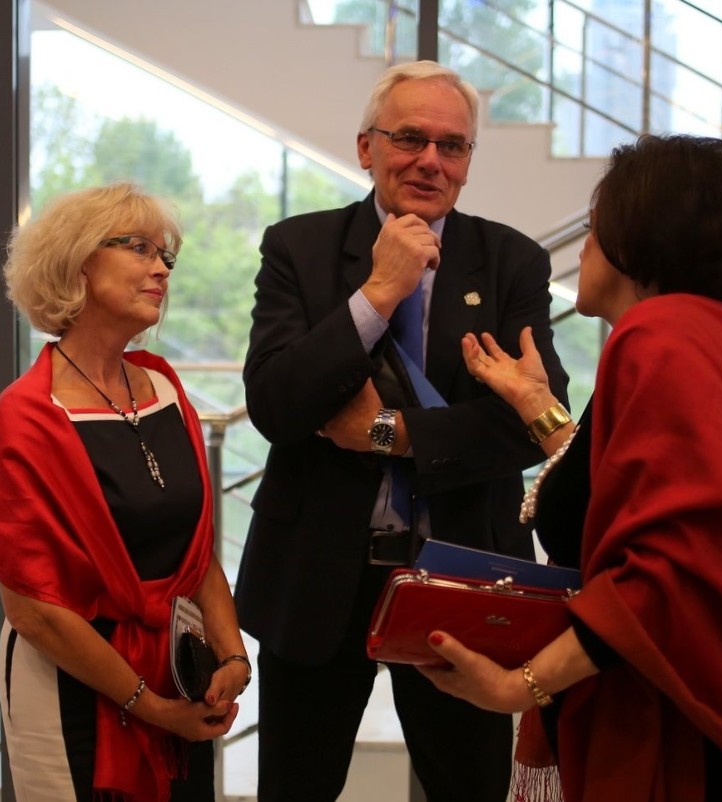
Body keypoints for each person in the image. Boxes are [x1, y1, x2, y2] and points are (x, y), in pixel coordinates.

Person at [419, 134, 722, 802]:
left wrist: (521, 686)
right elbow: (636, 487)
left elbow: (668, 570)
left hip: (674, 732)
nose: (582, 248)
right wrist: (536, 404)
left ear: (637, 241)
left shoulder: (654, 341)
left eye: (595, 229)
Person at [233, 60, 569, 802]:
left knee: (469, 786)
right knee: (296, 785)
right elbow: (277, 407)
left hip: (463, 572)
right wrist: (379, 292)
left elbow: (528, 427)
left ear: (469, 162)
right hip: (319, 572)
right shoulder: (300, 248)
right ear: (366, 148)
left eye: (453, 146)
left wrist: (387, 433)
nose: (430, 160)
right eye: (410, 138)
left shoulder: (511, 260)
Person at [0, 183, 252, 802]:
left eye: (166, 255)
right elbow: (35, 611)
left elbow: (195, 553)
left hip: (181, 672)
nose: (161, 268)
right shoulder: (23, 421)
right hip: (71, 691)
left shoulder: (164, 386)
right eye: (139, 247)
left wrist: (232, 657)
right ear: (78, 261)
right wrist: (150, 707)